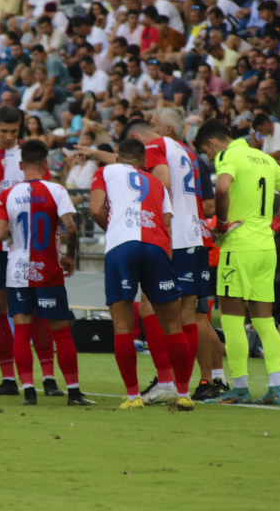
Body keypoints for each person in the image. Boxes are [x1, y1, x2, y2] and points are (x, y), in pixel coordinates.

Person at [200, 119, 280, 405]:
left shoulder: (228, 155)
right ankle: (276, 389)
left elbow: (221, 189)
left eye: (209, 155)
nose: (211, 159)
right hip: (265, 247)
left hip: (239, 247)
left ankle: (241, 388)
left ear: (212, 144)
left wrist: (220, 224)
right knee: (264, 321)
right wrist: (277, 223)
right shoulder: (264, 158)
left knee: (232, 321)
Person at [89, 139, 192, 410]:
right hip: (157, 247)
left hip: (122, 246)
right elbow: (167, 222)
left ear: (118, 158)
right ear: (144, 163)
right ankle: (183, 393)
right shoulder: (157, 183)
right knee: (173, 325)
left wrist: (112, 228)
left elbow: (96, 209)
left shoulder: (105, 172)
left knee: (122, 326)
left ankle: (134, 396)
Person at [0, 140, 94, 406]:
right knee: (61, 331)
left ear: (21, 164)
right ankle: (73, 393)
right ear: (46, 164)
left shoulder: (8, 194)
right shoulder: (56, 190)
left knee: (22, 331)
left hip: (17, 271)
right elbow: (71, 227)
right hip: (47, 269)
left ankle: (28, 392)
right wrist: (69, 256)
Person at [0, 106, 56, 396]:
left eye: (14, 131)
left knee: (38, 309)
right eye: (3, 131)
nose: (9, 137)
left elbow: (48, 191)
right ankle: (9, 378)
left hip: (28, 243)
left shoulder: (30, 155)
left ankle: (48, 377)